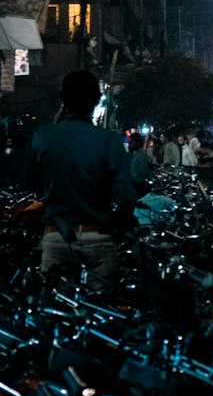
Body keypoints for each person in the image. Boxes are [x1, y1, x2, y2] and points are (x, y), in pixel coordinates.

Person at [27, 70, 136, 288]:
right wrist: (115, 225)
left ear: (63, 101)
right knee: (101, 312)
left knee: (54, 313)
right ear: (96, 100)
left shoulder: (44, 136)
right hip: (99, 237)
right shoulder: (109, 140)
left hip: (56, 237)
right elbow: (126, 197)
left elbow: (32, 183)